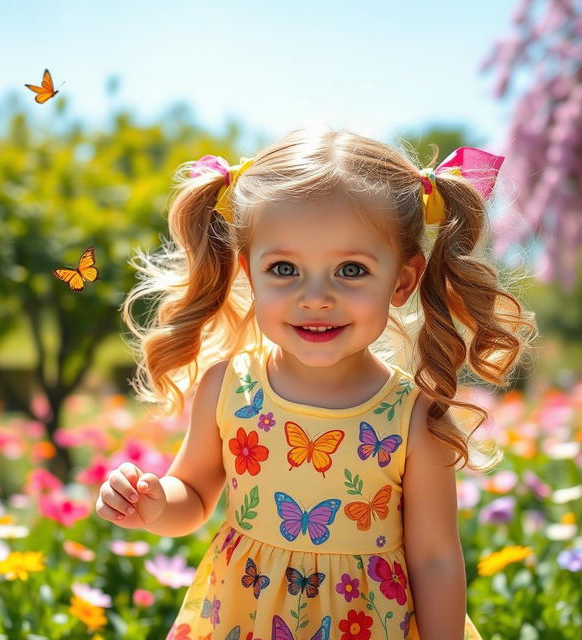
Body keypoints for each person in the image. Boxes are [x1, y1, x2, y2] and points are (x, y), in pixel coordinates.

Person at [96, 126, 537, 639]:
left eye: (351, 269)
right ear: (249, 273)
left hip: (369, 622)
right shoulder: (228, 387)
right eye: (284, 267)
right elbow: (191, 495)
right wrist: (153, 504)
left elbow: (436, 559)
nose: (316, 296)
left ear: (401, 281)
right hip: (244, 618)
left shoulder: (412, 415)